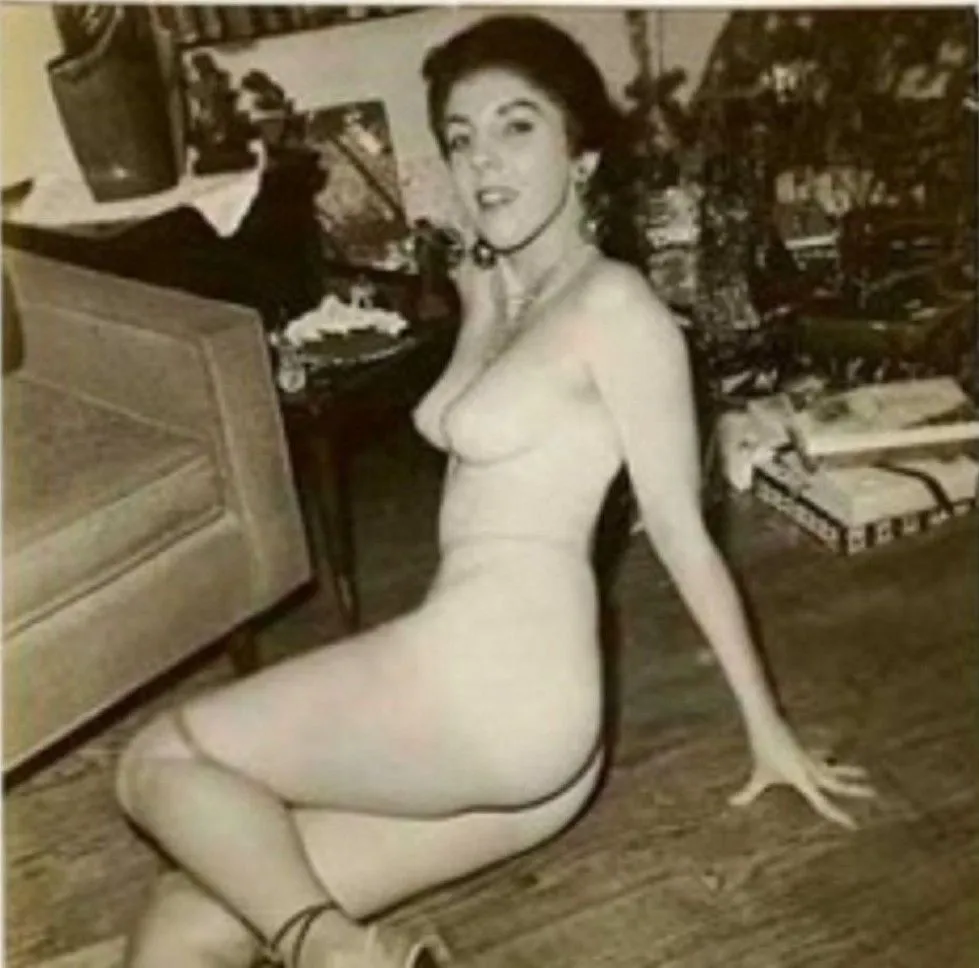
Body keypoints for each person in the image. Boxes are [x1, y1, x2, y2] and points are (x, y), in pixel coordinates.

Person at [115, 15, 874, 968]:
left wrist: (768, 732)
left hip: (496, 686)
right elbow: (458, 415)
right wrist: (483, 307)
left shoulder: (619, 309)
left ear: (582, 158)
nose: (483, 161)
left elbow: (684, 534)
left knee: (157, 761)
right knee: (188, 916)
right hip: (518, 731)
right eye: (461, 138)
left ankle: (341, 956)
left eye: (517, 126)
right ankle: (339, 948)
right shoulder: (514, 303)